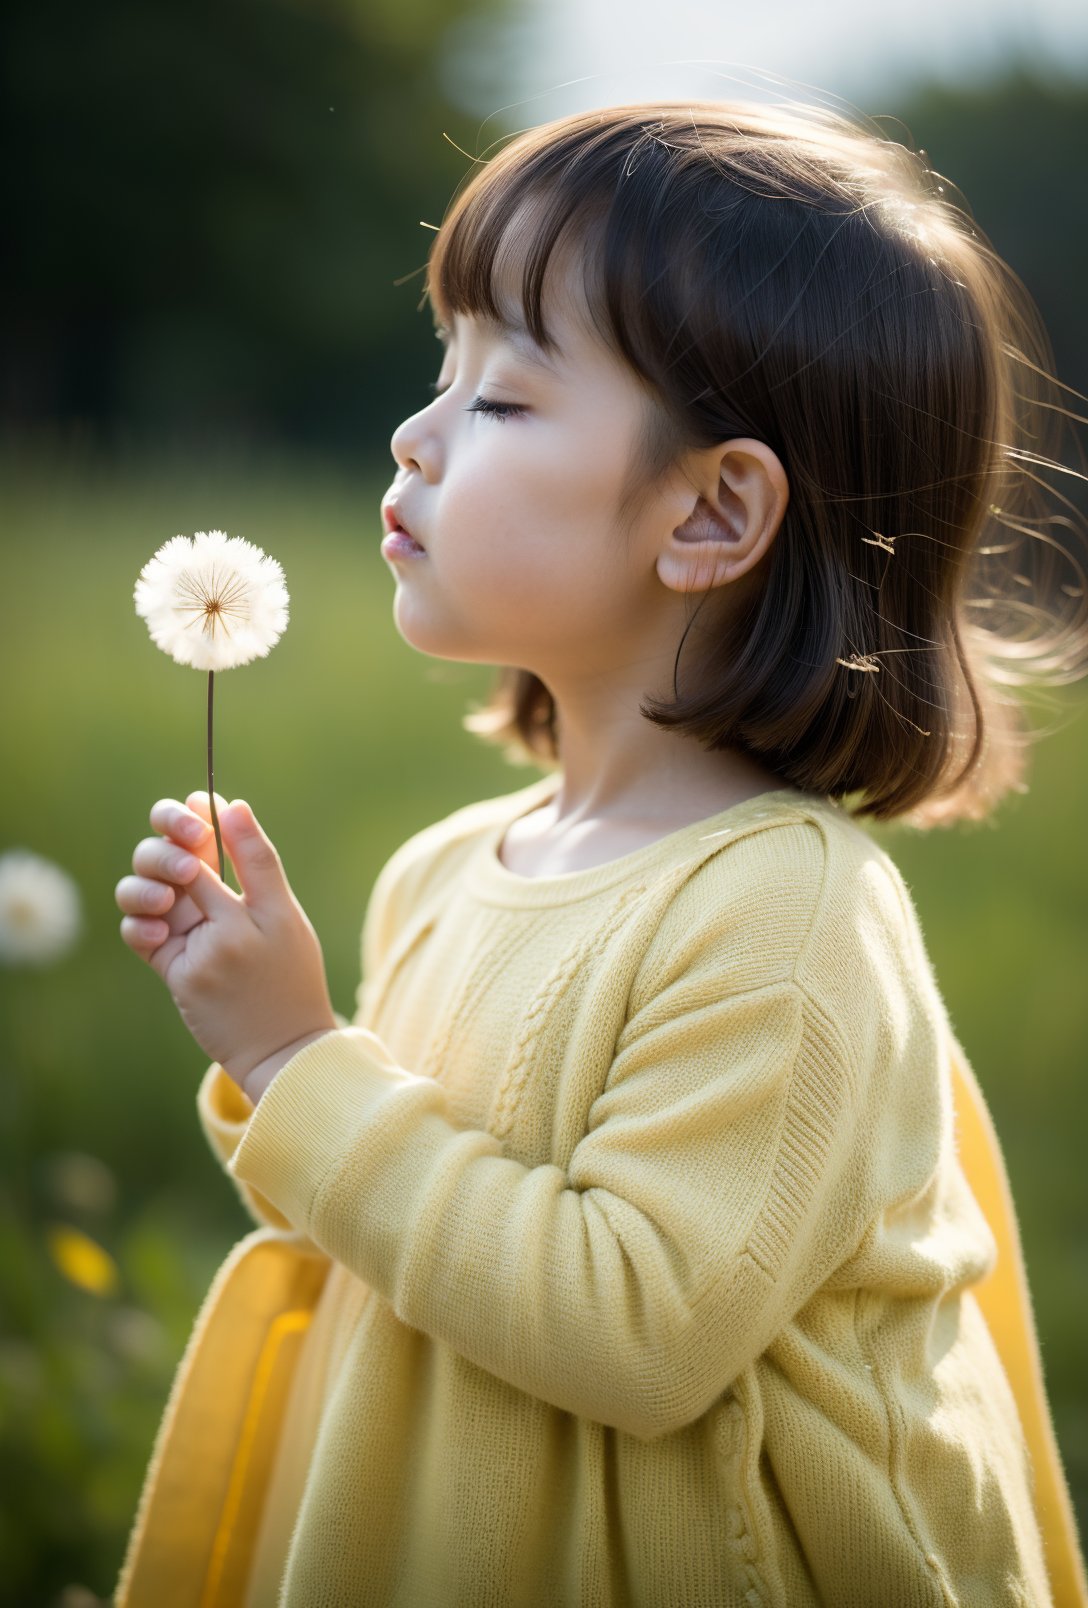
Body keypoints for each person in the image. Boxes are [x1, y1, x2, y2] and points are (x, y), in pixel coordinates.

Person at [112, 98, 1088, 1607]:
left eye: (501, 400)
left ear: (712, 511)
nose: (415, 433)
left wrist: (303, 1058)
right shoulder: (445, 869)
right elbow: (407, 1243)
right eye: (445, 374)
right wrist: (263, 1049)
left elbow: (633, 1334)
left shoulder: (783, 911)